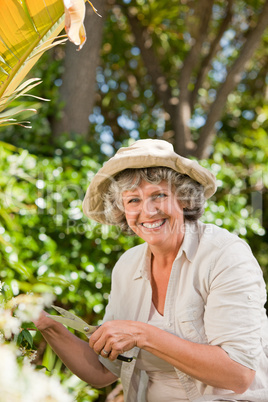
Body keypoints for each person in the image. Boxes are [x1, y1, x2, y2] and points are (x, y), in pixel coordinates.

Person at [34, 139, 268, 402]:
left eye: (159, 195)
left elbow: (238, 375)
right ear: (122, 210)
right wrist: (47, 324)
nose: (148, 210)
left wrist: (142, 335)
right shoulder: (127, 267)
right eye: (133, 200)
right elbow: (103, 371)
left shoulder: (224, 255)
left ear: (183, 198)